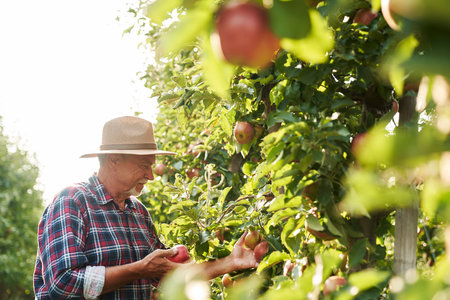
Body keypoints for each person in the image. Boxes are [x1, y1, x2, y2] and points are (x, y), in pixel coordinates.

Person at [33, 116, 261, 299]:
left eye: (152, 166)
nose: (151, 176)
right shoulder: (72, 201)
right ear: (114, 160)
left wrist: (231, 261)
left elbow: (170, 276)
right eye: (144, 165)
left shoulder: (138, 212)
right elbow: (62, 284)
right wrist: (140, 269)